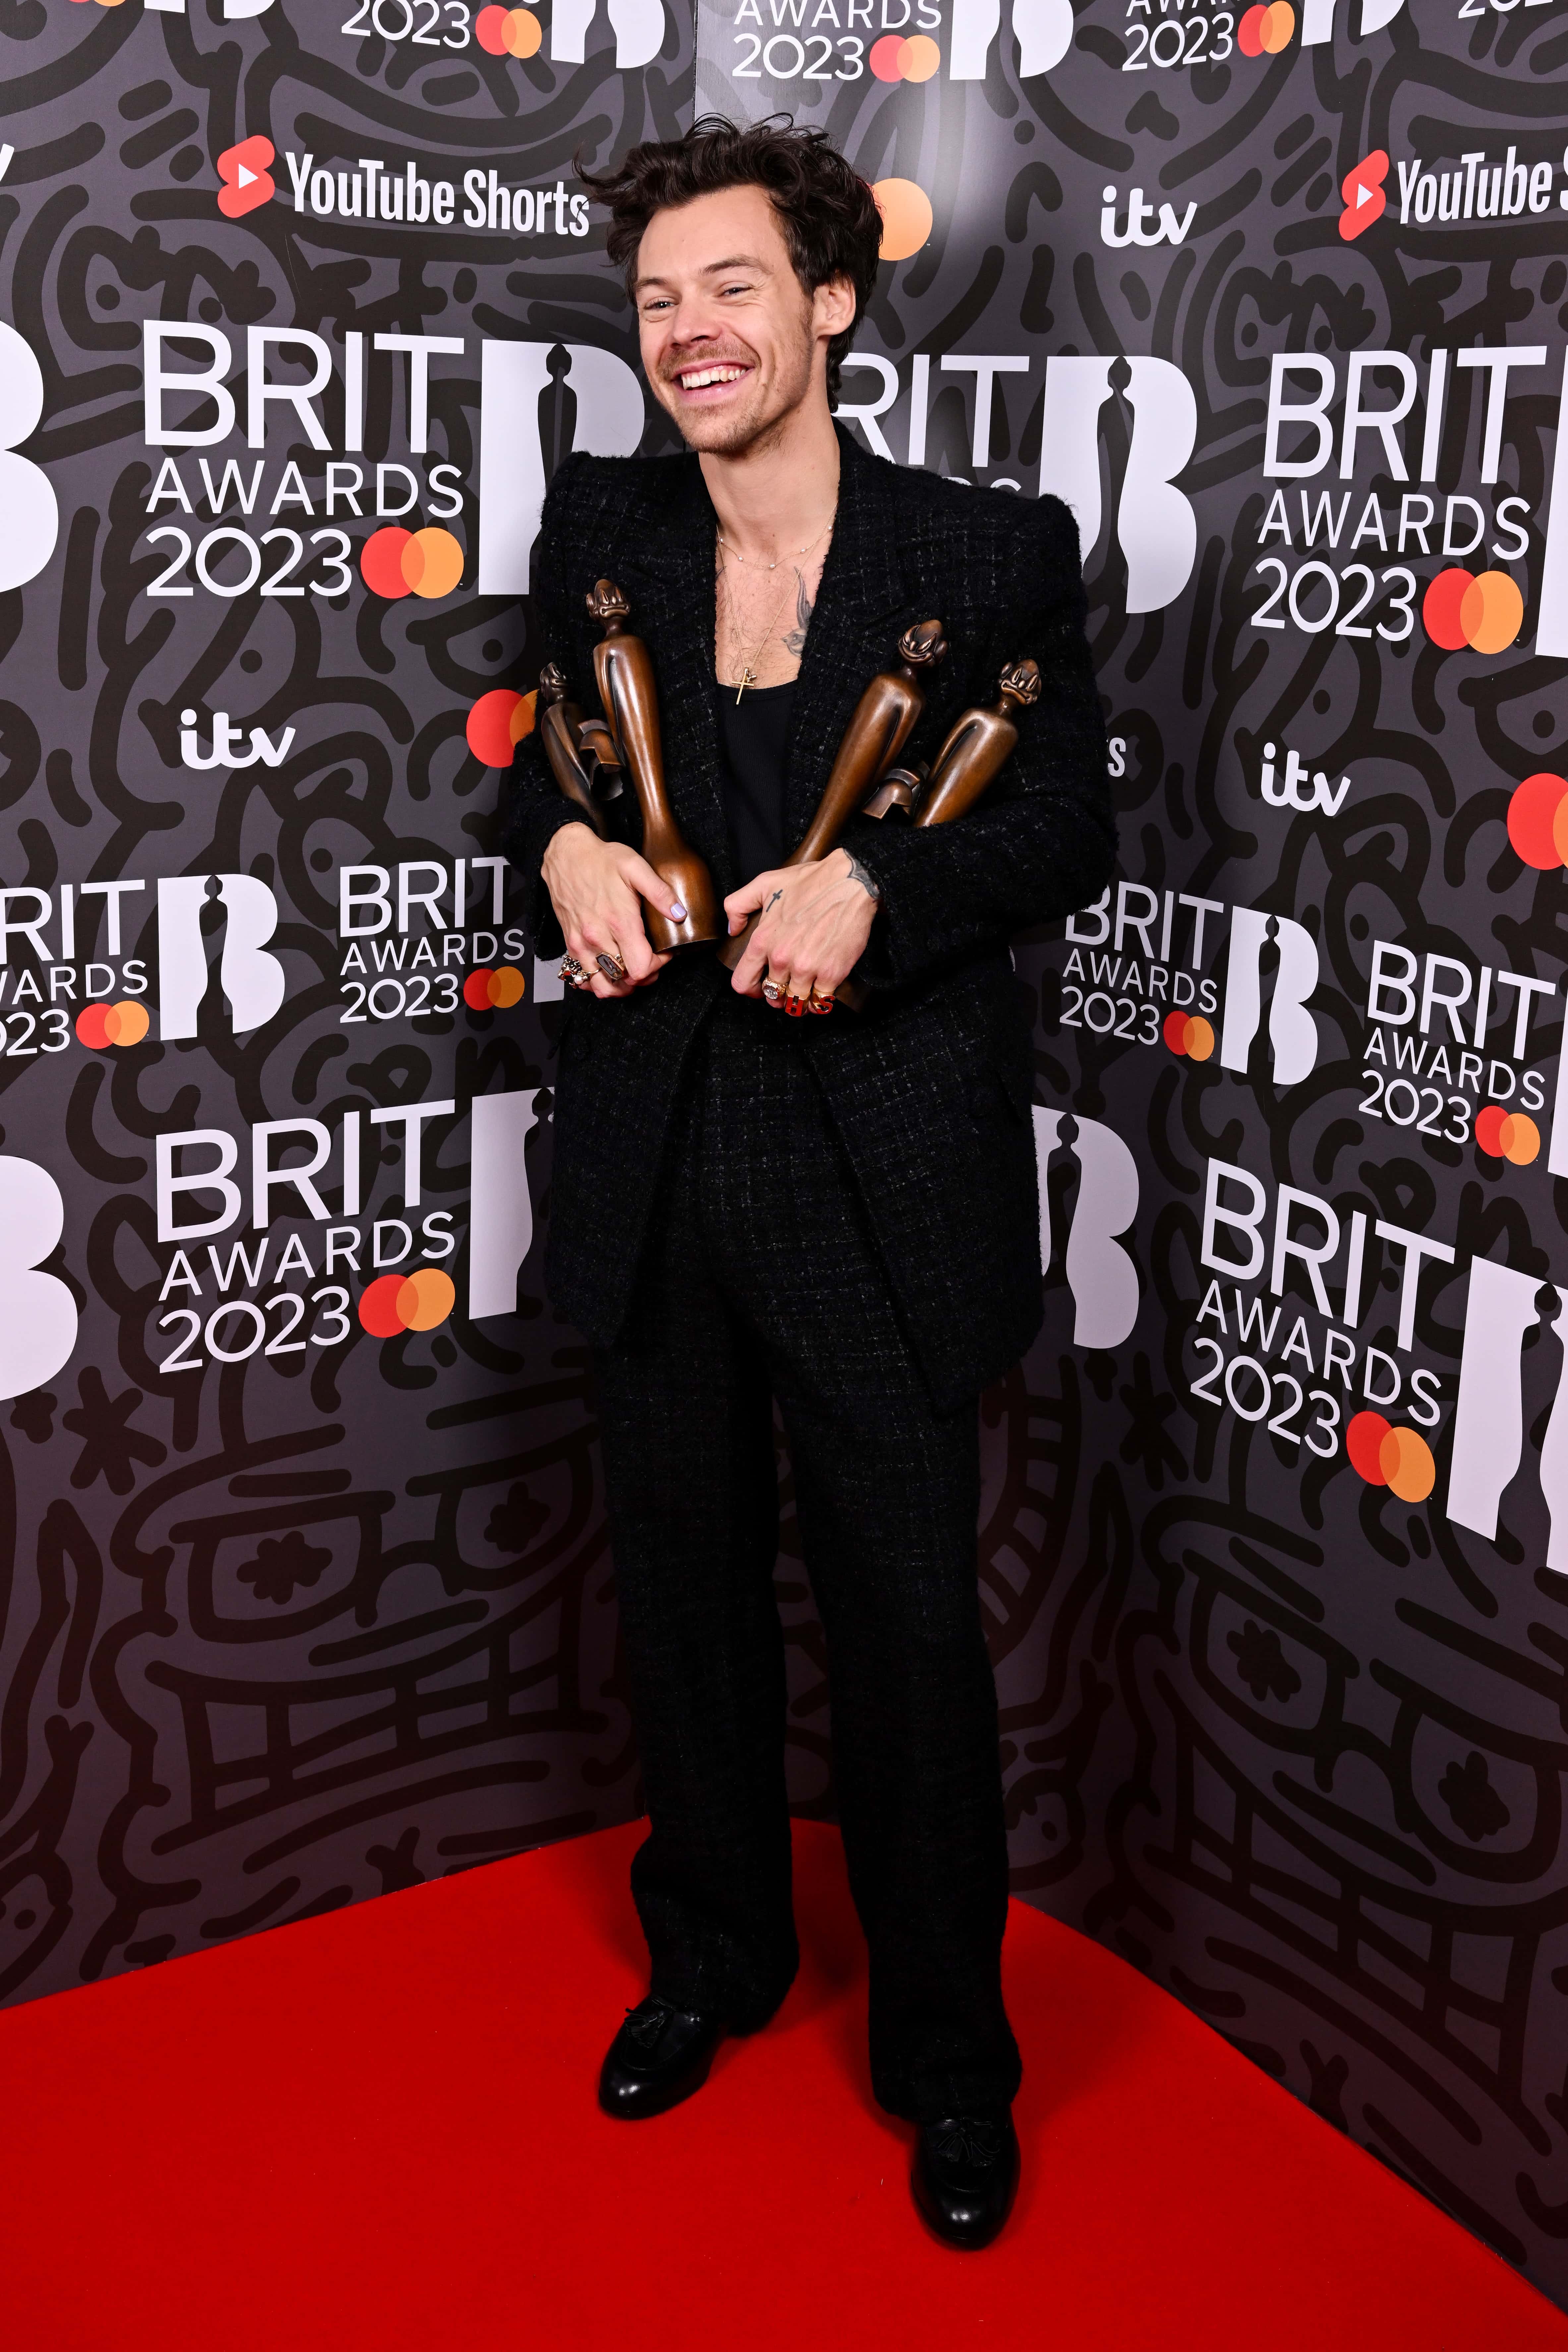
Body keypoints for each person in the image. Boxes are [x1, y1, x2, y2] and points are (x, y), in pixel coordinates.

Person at [502, 116, 1114, 2250]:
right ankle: (714, 1962)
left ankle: (952, 2059)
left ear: (833, 300)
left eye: (734, 286)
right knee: (679, 1602)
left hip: (877, 1165)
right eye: (660, 298)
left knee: (908, 1636)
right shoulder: (605, 526)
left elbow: (1066, 834)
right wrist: (562, 847)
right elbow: (541, 766)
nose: (690, 332)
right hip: (658, 1148)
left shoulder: (989, 548)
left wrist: (882, 885)